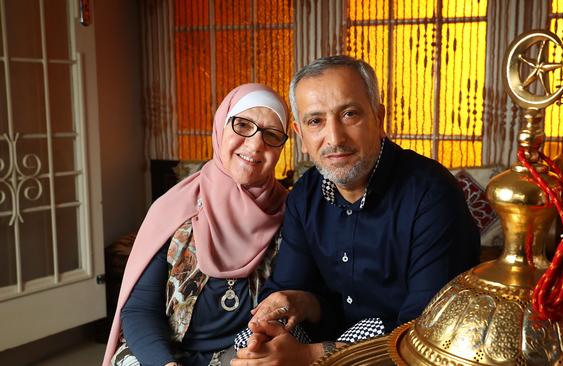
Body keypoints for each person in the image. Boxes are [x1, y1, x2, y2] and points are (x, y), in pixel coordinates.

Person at [232, 55, 481, 365]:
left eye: (349, 114)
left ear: (378, 118)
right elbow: (290, 288)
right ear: (301, 134)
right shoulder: (305, 195)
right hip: (332, 337)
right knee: (251, 343)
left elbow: (428, 333)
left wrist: (309, 357)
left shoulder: (431, 194)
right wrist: (295, 304)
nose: (335, 138)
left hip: (405, 348)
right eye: (316, 121)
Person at [102, 83, 291, 366]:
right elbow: (139, 308)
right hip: (167, 351)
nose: (254, 144)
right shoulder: (173, 209)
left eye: (272, 135)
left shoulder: (292, 214)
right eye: (242, 125)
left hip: (243, 354)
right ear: (220, 128)